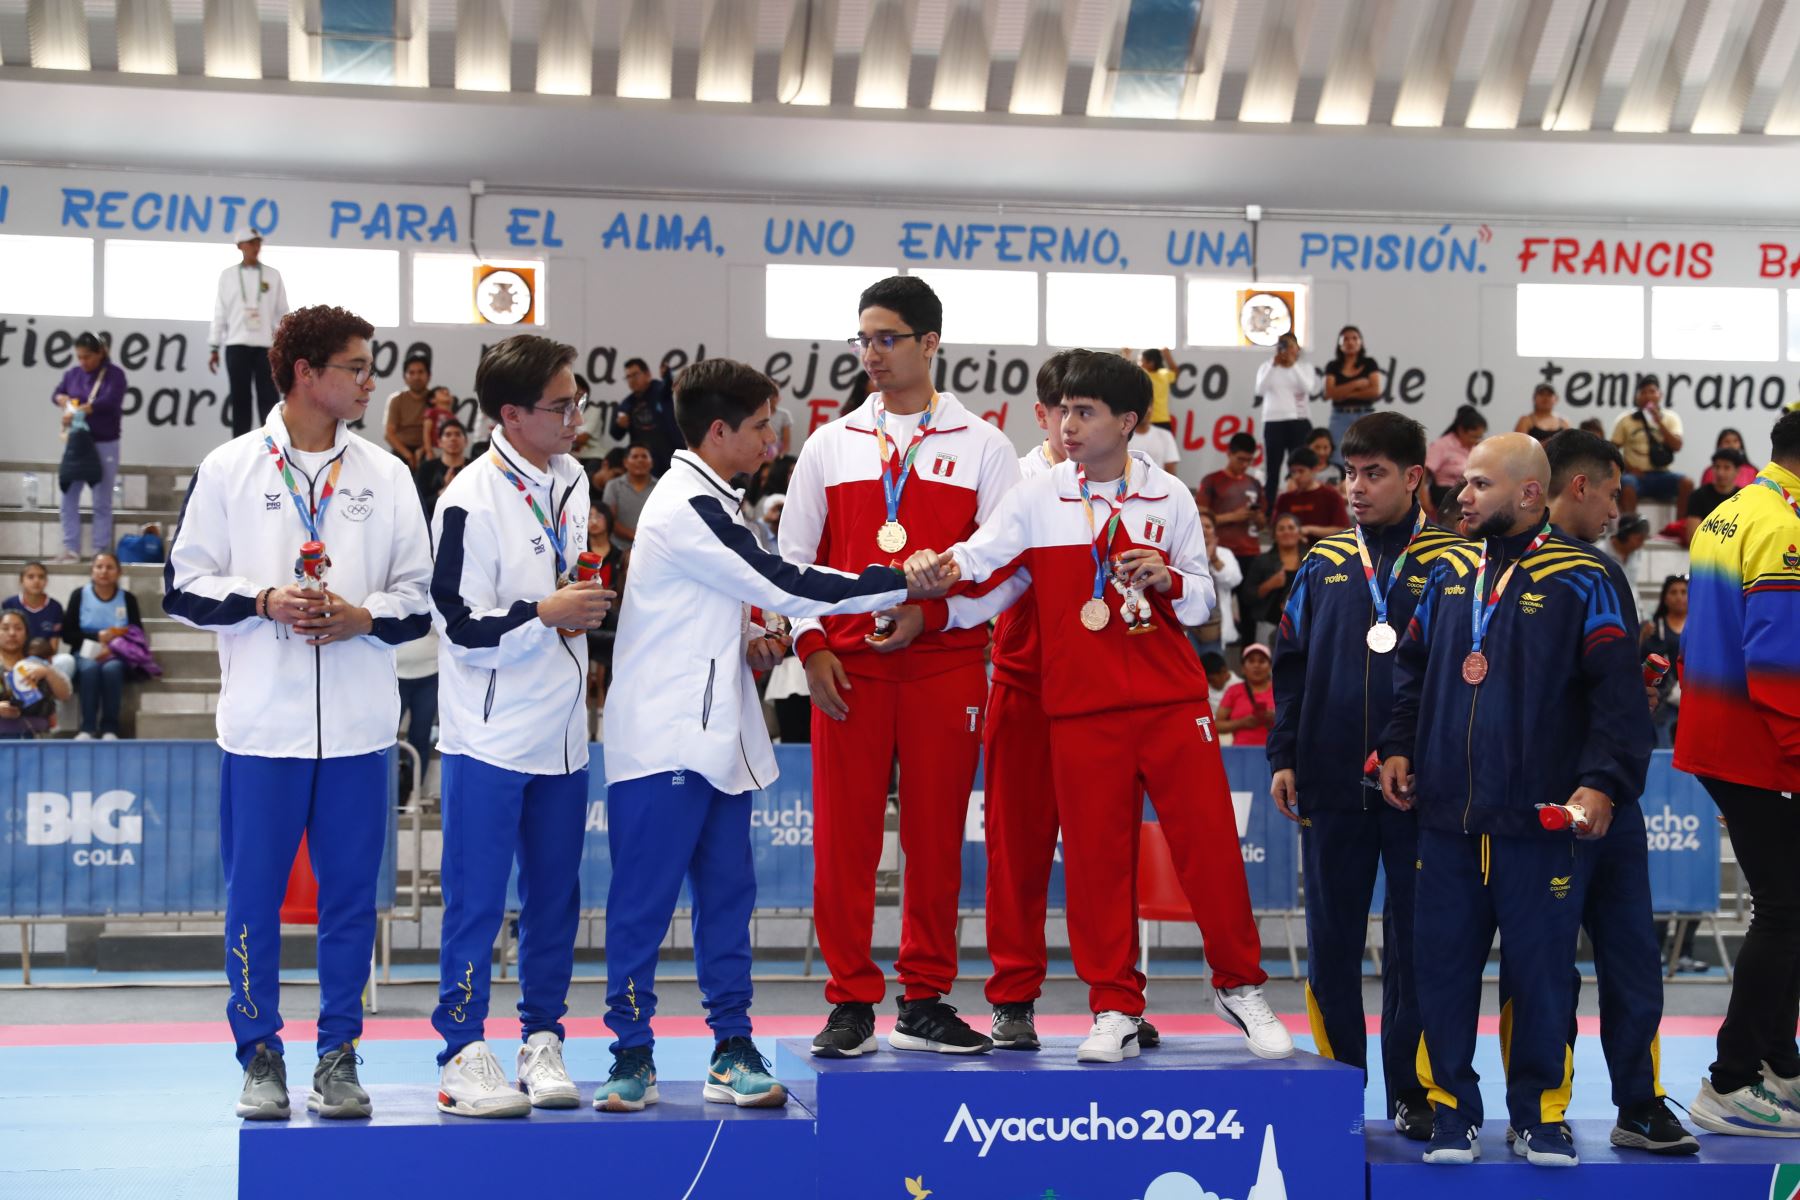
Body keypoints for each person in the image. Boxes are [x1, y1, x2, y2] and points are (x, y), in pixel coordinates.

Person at [901, 351, 1291, 1063]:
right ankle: (1113, 1004)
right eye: (1060, 411)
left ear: (1128, 422)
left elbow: (1205, 599)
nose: (1066, 425)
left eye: (1084, 412)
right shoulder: (1037, 493)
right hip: (1081, 709)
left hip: (1173, 700)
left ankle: (1239, 986)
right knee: (1094, 864)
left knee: (1210, 850)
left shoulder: (1169, 494)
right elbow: (983, 559)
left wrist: (1169, 576)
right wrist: (933, 569)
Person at [599, 357, 943, 1110]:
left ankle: (731, 1045)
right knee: (641, 908)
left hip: (721, 735)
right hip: (662, 739)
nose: (773, 437)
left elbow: (741, 601)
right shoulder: (684, 505)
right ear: (719, 430)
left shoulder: (723, 499)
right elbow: (785, 582)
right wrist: (898, 581)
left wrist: (755, 640)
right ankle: (630, 1052)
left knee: (728, 902)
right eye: (761, 425)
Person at [164, 304, 433, 1122]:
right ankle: (259, 1055)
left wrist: (362, 616)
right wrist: (261, 599)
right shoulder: (231, 468)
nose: (369, 380)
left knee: (353, 899)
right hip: (262, 730)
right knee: (254, 897)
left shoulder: (386, 475)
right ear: (306, 373)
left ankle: (339, 1054)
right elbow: (182, 585)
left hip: (357, 730)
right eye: (356, 366)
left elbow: (419, 601)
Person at [1379, 434, 1650, 1168]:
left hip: (1538, 821)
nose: (1461, 496)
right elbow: (1410, 668)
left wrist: (1601, 782)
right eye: (1463, 483)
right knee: (1440, 971)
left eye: (1479, 485)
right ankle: (1451, 1113)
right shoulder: (1447, 572)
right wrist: (1399, 744)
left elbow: (1619, 699)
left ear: (1530, 493)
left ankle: (1540, 1116)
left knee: (1541, 976)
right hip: (1445, 818)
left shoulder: (1586, 578)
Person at [780, 275, 1020, 1058]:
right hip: (845, 671)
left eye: (887, 338)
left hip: (945, 666)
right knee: (843, 843)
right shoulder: (830, 443)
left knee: (937, 840)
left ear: (929, 343)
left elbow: (1011, 570)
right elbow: (790, 564)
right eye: (863, 339)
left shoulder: (984, 446)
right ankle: (850, 998)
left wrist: (935, 615)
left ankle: (924, 998)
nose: (872, 354)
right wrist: (810, 648)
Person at [1269, 411, 1470, 1141]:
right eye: (1348, 473)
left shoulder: (1457, 564)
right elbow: (1289, 665)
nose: (1354, 488)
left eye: (1373, 473)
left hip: (1422, 789)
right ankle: (1335, 1083)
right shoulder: (1323, 563)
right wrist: (1284, 755)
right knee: (1331, 944)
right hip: (1327, 781)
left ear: (1416, 477)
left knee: (1419, 945)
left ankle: (1413, 1092)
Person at [427, 334, 613, 1118]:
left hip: (565, 735)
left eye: (578, 402)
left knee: (555, 898)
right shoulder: (469, 497)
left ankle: (543, 1038)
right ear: (511, 414)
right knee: (476, 899)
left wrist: (580, 601)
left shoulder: (571, 479)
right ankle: (463, 1050)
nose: (576, 417)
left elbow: (565, 574)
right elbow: (456, 621)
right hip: (490, 735)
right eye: (560, 406)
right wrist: (547, 612)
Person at [1538, 428, 1697, 1153]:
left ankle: (1640, 1102)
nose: (1616, 507)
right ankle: (1544, 1106)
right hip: (1548, 802)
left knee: (1633, 958)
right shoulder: (1517, 568)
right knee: (1545, 969)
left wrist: (1639, 690)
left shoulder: (1600, 570)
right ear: (1579, 485)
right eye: (1610, 491)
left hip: (1613, 801)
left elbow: (1604, 689)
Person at [1676, 408, 1800, 1136]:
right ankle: (1728, 1081)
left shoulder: (1726, 514)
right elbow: (1779, 663)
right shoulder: (1783, 525)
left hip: (1723, 736)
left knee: (1788, 909)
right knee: (1785, 912)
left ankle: (1778, 1061)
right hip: (1762, 745)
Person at [51, 333, 127, 562]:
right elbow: (56, 393)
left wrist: (85, 409)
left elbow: (111, 401)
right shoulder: (73, 374)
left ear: (100, 353)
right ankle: (71, 548)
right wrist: (62, 400)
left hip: (105, 442)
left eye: (87, 357)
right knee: (68, 496)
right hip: (77, 443)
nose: (83, 362)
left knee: (102, 499)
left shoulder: (114, 375)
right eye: (79, 357)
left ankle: (100, 550)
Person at [208, 229, 290, 437]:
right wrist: (214, 345)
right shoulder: (227, 276)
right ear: (239, 246)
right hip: (236, 345)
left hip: (266, 346)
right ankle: (240, 450)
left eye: (257, 243)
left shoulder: (273, 274)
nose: (255, 247)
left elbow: (283, 312)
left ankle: (273, 446)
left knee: (269, 400)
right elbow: (220, 311)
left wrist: (284, 343)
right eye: (250, 243)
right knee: (240, 400)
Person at [61, 552, 141, 740]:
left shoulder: (128, 599)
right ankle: (87, 728)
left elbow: (137, 633)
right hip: (85, 652)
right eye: (99, 567)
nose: (104, 571)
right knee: (89, 669)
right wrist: (97, 637)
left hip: (117, 653)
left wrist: (112, 644)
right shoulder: (79, 595)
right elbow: (67, 634)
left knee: (112, 670)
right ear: (92, 571)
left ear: (119, 572)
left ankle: (110, 728)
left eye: (109, 567)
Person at [1611, 377, 1692, 516]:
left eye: (1652, 391)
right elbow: (1612, 451)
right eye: (1643, 392)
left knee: (1687, 483)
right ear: (1637, 397)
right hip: (1636, 476)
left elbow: (1677, 446)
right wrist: (1628, 468)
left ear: (1660, 395)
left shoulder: (1670, 418)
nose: (1648, 395)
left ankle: (1680, 526)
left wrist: (1659, 422)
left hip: (1663, 474)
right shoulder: (1625, 420)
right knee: (1627, 483)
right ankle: (1631, 529)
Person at [1256, 333, 1314, 512]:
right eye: (1283, 346)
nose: (1287, 350)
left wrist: (1292, 364)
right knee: (1272, 468)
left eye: (1290, 346)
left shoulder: (1304, 367)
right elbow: (1260, 389)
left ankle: (1298, 506)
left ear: (1297, 348)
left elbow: (1308, 388)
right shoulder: (1267, 367)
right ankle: (1270, 509)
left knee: (1298, 465)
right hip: (1273, 421)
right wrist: (1274, 365)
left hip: (1298, 420)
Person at [0, 610, 72, 739]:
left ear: (26, 633)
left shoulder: (37, 663)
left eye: (18, 628)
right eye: (5, 628)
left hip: (35, 739)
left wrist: (48, 673)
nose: (11, 633)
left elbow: (65, 694)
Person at [1197, 432, 1265, 561]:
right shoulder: (1211, 480)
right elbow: (1199, 520)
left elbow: (1262, 525)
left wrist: (1257, 517)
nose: (1245, 465)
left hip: (1251, 551)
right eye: (1241, 459)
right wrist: (1234, 516)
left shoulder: (1255, 483)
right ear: (1229, 454)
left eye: (1249, 460)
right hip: (1222, 551)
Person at [1240, 512, 1305, 647]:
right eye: (1281, 529)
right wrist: (1269, 585)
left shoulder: (1312, 559)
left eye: (1291, 528)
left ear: (1299, 532)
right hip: (1269, 624)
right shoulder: (1262, 561)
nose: (1286, 532)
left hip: (1306, 624)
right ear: (1274, 535)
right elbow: (1247, 596)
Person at [612, 356, 684, 473]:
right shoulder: (627, 404)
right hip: (645, 462)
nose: (632, 380)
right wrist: (619, 425)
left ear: (648, 374)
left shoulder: (660, 390)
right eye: (628, 377)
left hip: (672, 455)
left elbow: (669, 385)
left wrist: (667, 375)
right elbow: (615, 435)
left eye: (635, 375)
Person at [1322, 325, 1383, 456]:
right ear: (1339, 344)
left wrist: (1344, 394)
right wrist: (1356, 383)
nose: (1350, 342)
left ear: (1361, 342)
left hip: (1365, 415)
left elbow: (1375, 391)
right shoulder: (1333, 366)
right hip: (1339, 416)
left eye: (1355, 338)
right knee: (1338, 456)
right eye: (1345, 339)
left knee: (1368, 455)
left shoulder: (1369, 363)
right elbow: (1329, 393)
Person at [1641, 576, 1686, 748]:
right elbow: (1640, 658)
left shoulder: (1700, 625)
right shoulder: (1654, 628)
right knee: (1663, 747)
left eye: (1683, 592)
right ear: (1665, 598)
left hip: (1692, 695)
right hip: (1663, 700)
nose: (1679, 597)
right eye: (1673, 592)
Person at [1426, 406, 1488, 519]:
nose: (1475, 441)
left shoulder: (1476, 448)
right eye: (1473, 437)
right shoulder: (1443, 445)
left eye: (1479, 437)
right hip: (1446, 495)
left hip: (1470, 493)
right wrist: (1425, 502)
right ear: (1460, 430)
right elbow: (1424, 472)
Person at [1274, 448, 1350, 539]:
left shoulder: (1331, 496)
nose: (1296, 476)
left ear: (1314, 470)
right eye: (1293, 472)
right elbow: (1274, 530)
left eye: (1301, 471)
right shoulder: (1285, 499)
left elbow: (1342, 530)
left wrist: (1309, 530)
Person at [1195, 510, 1241, 657]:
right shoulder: (1179, 551)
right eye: (1199, 525)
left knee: (1214, 673)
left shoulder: (1224, 553)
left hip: (1214, 628)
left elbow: (1234, 580)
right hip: (1186, 627)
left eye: (1208, 526)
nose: (1203, 530)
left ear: (1214, 531)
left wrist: (1213, 558)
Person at [1215, 643, 1275, 745]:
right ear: (1243, 668)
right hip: (1241, 754)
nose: (1256, 665)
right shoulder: (1233, 691)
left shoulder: (1280, 690)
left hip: (1276, 754)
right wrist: (1242, 723)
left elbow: (1296, 721)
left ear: (1270, 667)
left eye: (1262, 661)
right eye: (1251, 661)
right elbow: (1216, 726)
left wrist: (1276, 718)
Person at [1683, 447, 1744, 545]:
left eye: (1726, 467)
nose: (1720, 472)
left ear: (1737, 471)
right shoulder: (1698, 496)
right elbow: (1692, 537)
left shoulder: (1743, 498)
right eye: (1717, 467)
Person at [602, 445, 657, 553]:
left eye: (644, 456)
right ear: (625, 462)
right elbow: (609, 520)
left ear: (652, 462)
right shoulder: (613, 486)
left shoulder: (661, 486)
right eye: (635, 457)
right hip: (618, 550)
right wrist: (637, 537)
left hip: (652, 549)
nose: (640, 460)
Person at [383, 351, 433, 471]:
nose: (416, 377)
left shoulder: (435, 398)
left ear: (429, 375)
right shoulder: (396, 399)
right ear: (405, 377)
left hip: (429, 449)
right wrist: (408, 455)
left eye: (421, 372)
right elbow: (389, 434)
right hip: (401, 451)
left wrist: (425, 449)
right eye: (411, 373)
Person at [415, 418, 471, 519]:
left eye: (458, 434)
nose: (453, 438)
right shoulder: (426, 468)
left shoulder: (474, 467)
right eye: (448, 435)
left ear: (466, 441)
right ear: (439, 442)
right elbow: (419, 506)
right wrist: (446, 491)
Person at [1124, 346, 1179, 431]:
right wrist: (1167, 355)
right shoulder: (1164, 374)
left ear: (1151, 363)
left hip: (1146, 420)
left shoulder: (1143, 375)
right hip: (1163, 420)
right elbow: (1175, 371)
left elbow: (1127, 372)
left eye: (1141, 361)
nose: (1139, 363)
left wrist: (1127, 355)